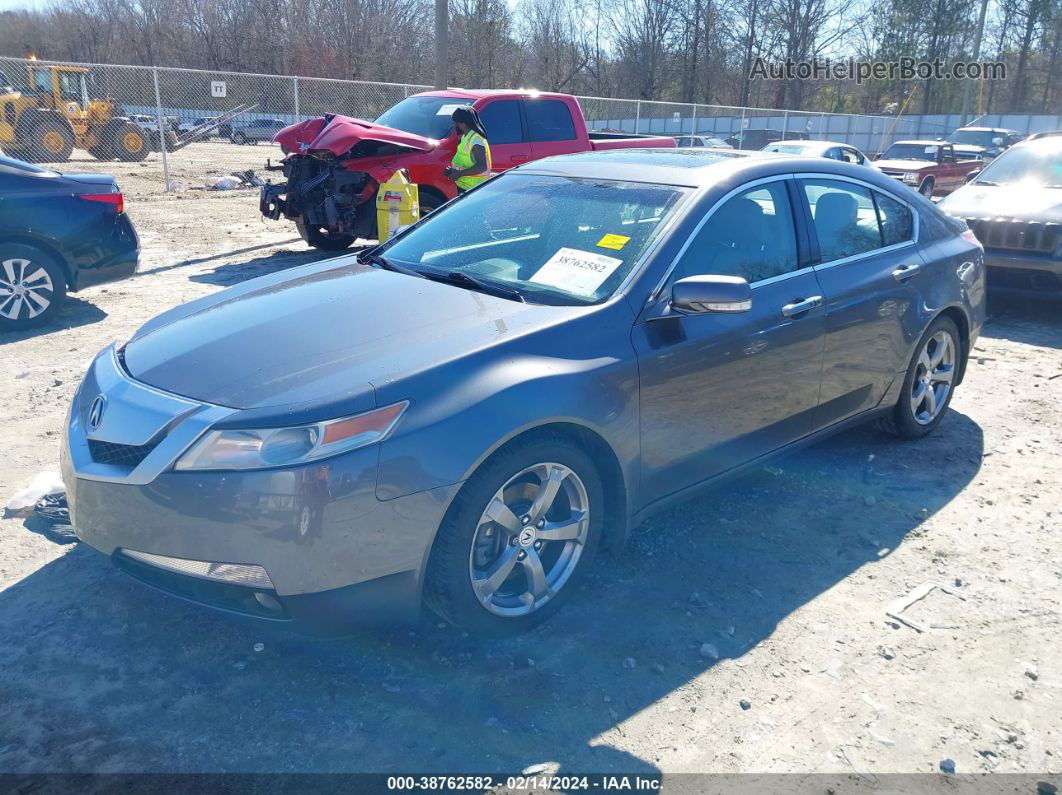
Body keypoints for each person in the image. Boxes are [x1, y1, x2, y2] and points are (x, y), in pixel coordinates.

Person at [444, 105, 492, 194]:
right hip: (465, 187)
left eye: (455, 122)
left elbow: (482, 167)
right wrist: (453, 171)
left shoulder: (477, 141)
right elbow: (465, 163)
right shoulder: (465, 137)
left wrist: (458, 174)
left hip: (474, 190)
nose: (454, 126)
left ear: (463, 123)